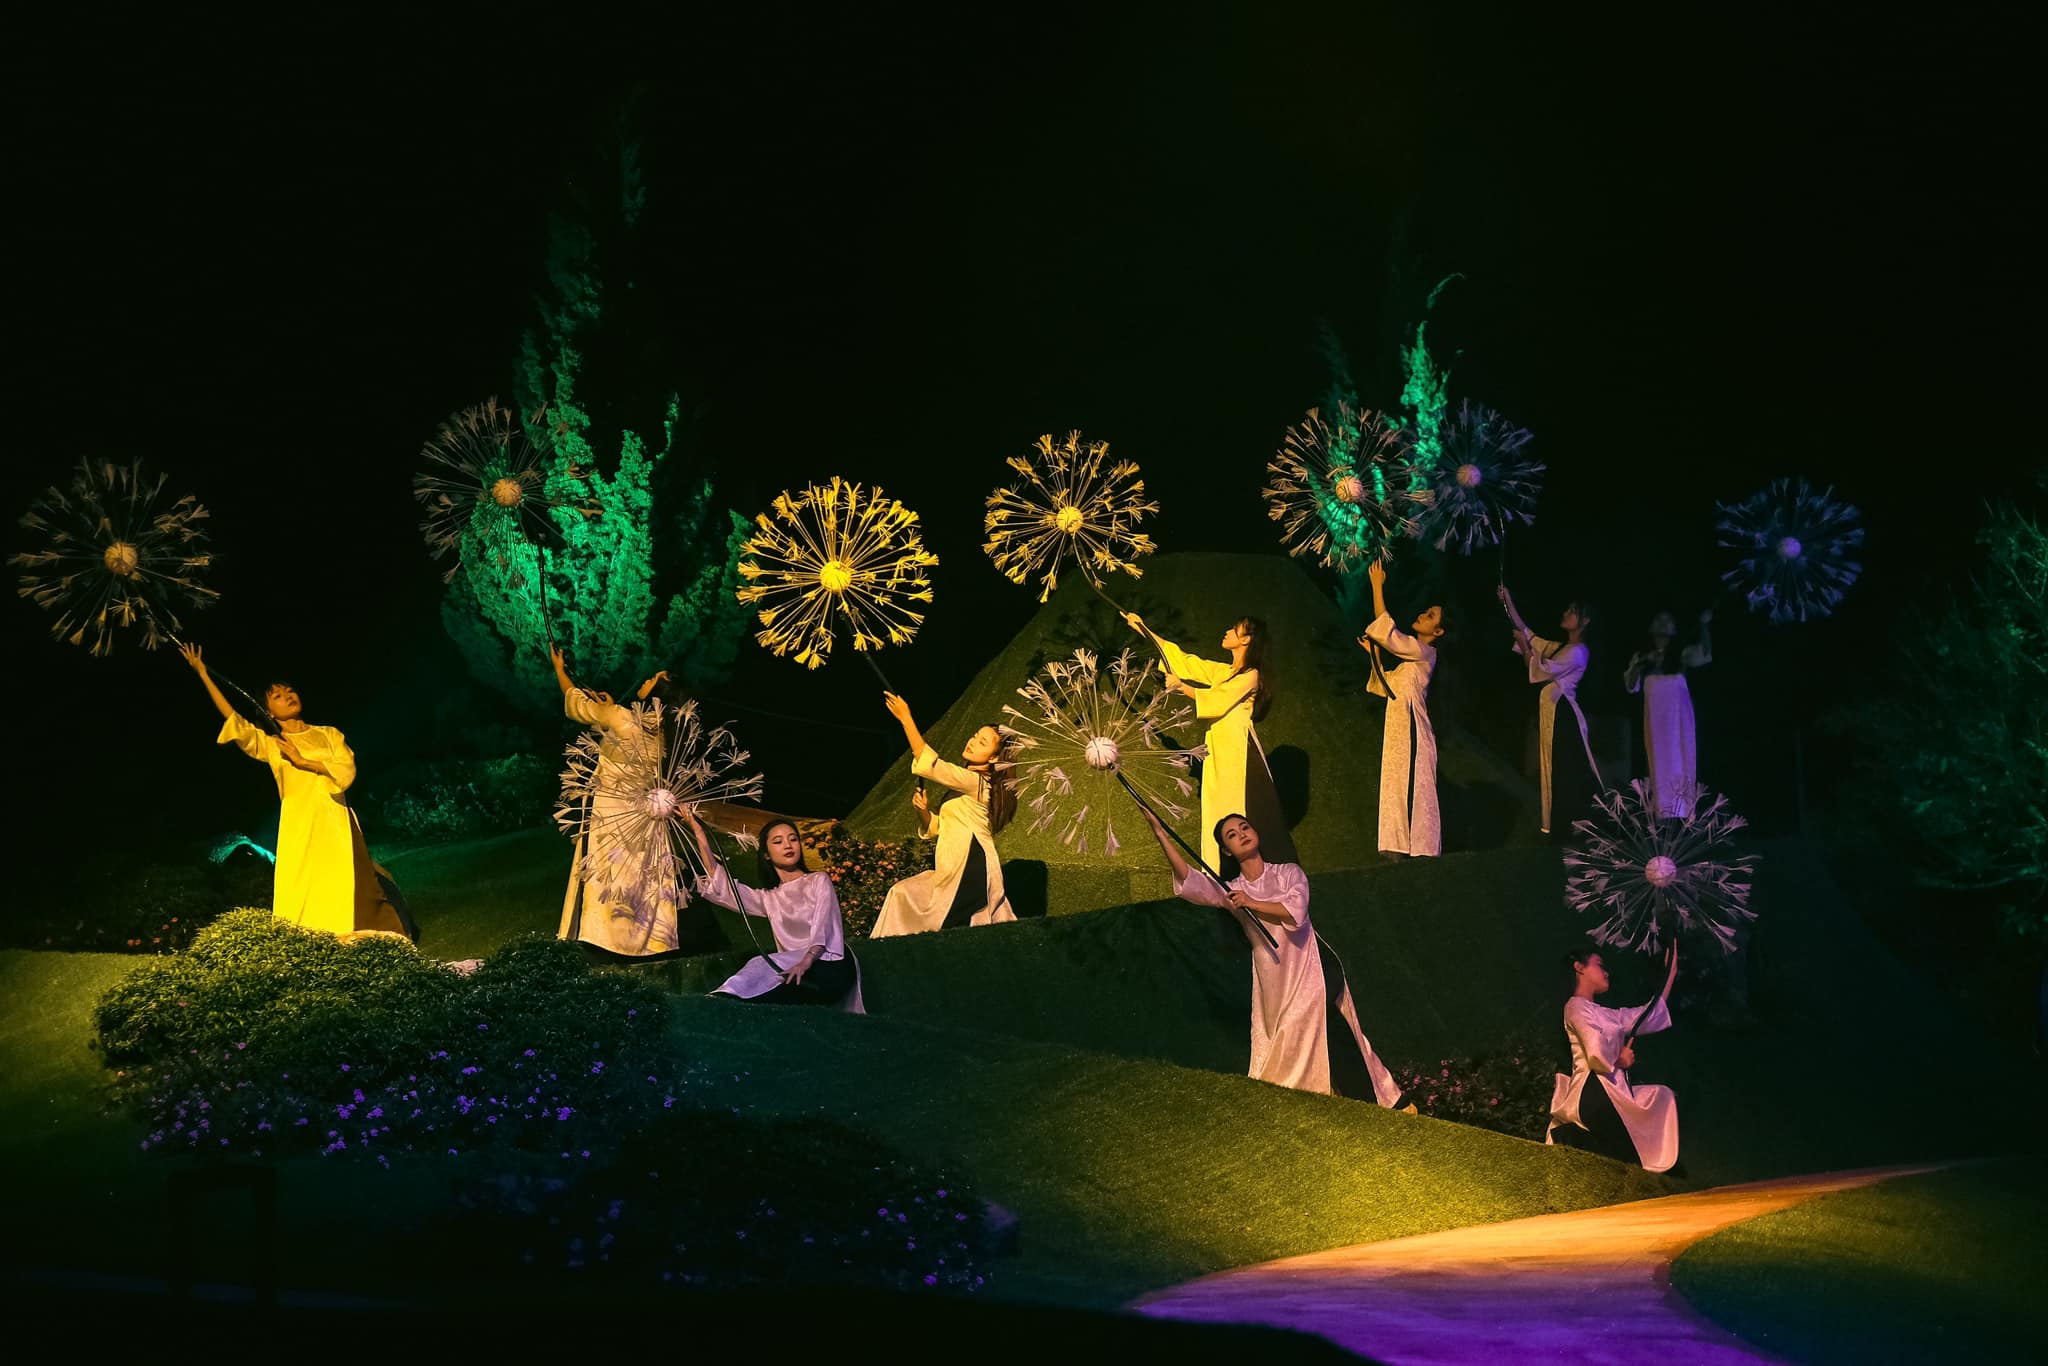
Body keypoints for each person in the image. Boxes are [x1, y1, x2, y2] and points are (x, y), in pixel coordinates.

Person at [1140, 805, 1403, 1105]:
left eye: (1244, 828)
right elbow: (1190, 881)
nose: (1241, 834)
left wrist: (1251, 902)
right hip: (1274, 978)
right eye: (1232, 835)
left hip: (1312, 965)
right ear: (1226, 851)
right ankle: (1365, 1098)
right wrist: (1160, 832)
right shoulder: (1231, 891)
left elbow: (1296, 912)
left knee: (1310, 1022)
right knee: (1303, 1033)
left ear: (1256, 832)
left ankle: (1367, 1099)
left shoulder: (1288, 873)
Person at [180, 644, 413, 940]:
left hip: (334, 819)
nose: (288, 696)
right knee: (304, 884)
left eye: (289, 690)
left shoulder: (328, 734)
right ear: (268, 711)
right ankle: (317, 941)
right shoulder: (272, 744)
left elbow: (345, 767)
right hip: (299, 825)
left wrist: (306, 762)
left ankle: (378, 937)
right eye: (277, 695)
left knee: (355, 879)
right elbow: (234, 721)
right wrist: (202, 673)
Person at [1124, 610, 1295, 871]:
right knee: (1216, 803)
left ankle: (1245, 869)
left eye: (1235, 628)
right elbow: (1188, 662)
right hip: (1218, 745)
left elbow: (1218, 700)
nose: (1227, 631)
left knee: (1236, 805)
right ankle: (1218, 869)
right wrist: (1143, 629)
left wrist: (1182, 687)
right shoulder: (1225, 671)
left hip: (1237, 748)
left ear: (1247, 639)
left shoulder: (1251, 676)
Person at [552, 646, 683, 957]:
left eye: (654, 678)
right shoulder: (663, 731)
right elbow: (620, 734)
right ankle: (647, 942)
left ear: (658, 691)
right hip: (641, 817)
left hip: (609, 813)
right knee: (638, 877)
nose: (647, 678)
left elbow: (576, 706)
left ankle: (603, 941)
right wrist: (610, 710)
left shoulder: (623, 718)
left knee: (606, 875)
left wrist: (559, 669)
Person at [685, 810, 864, 1011]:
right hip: (794, 971)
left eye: (793, 839)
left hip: (828, 964)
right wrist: (698, 832)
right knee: (763, 984)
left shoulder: (818, 880)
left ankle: (721, 1002)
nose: (788, 845)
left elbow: (824, 927)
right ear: (766, 855)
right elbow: (724, 887)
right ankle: (719, 1003)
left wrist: (805, 962)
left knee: (763, 964)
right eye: (778, 841)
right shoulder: (769, 898)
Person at [870, 692, 1014, 937]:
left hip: (971, 865)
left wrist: (906, 719)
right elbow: (939, 827)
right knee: (901, 893)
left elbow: (933, 766)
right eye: (975, 736)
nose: (972, 741)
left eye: (982, 742)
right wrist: (924, 813)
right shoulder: (969, 785)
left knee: (957, 932)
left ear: (994, 757)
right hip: (950, 868)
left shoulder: (978, 782)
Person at [1547, 943, 1681, 1172]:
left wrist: (1670, 973)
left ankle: (1572, 1140)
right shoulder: (1575, 1006)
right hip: (1593, 1089)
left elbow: (1647, 1014)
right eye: (1599, 965)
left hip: (1612, 1091)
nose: (1606, 971)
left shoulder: (1609, 1015)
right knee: (1626, 1158)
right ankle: (1567, 1136)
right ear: (1579, 968)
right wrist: (1620, 1060)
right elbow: (1595, 1050)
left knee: (1657, 1103)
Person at [1497, 584, 1601, 839]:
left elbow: (1540, 672)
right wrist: (1508, 601)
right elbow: (1527, 634)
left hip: (1563, 716)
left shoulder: (1578, 652)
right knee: (1553, 768)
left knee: (1563, 770)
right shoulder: (1559, 647)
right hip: (1553, 715)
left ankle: (1567, 827)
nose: (1566, 613)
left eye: (1573, 611)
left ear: (1585, 621)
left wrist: (1525, 648)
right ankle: (1557, 827)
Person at [1357, 559, 1445, 858]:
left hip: (1412, 728)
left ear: (1439, 631)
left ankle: (1418, 847)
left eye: (1431, 616)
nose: (1423, 614)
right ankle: (1396, 845)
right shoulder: (1411, 662)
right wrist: (1375, 655)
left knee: (1411, 783)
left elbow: (1389, 634)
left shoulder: (1425, 653)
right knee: (1395, 779)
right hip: (1398, 725)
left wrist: (1377, 586)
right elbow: (1384, 686)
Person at [1624, 609, 1713, 819]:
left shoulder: (1682, 654)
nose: (1663, 624)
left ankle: (1683, 813)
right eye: (1659, 620)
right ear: (1651, 627)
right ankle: (1660, 815)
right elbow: (1630, 685)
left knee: (1681, 758)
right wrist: (1642, 662)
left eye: (1668, 621)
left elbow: (1705, 654)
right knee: (1656, 762)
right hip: (1655, 718)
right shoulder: (1642, 657)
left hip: (1678, 718)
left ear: (1674, 629)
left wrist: (1704, 626)